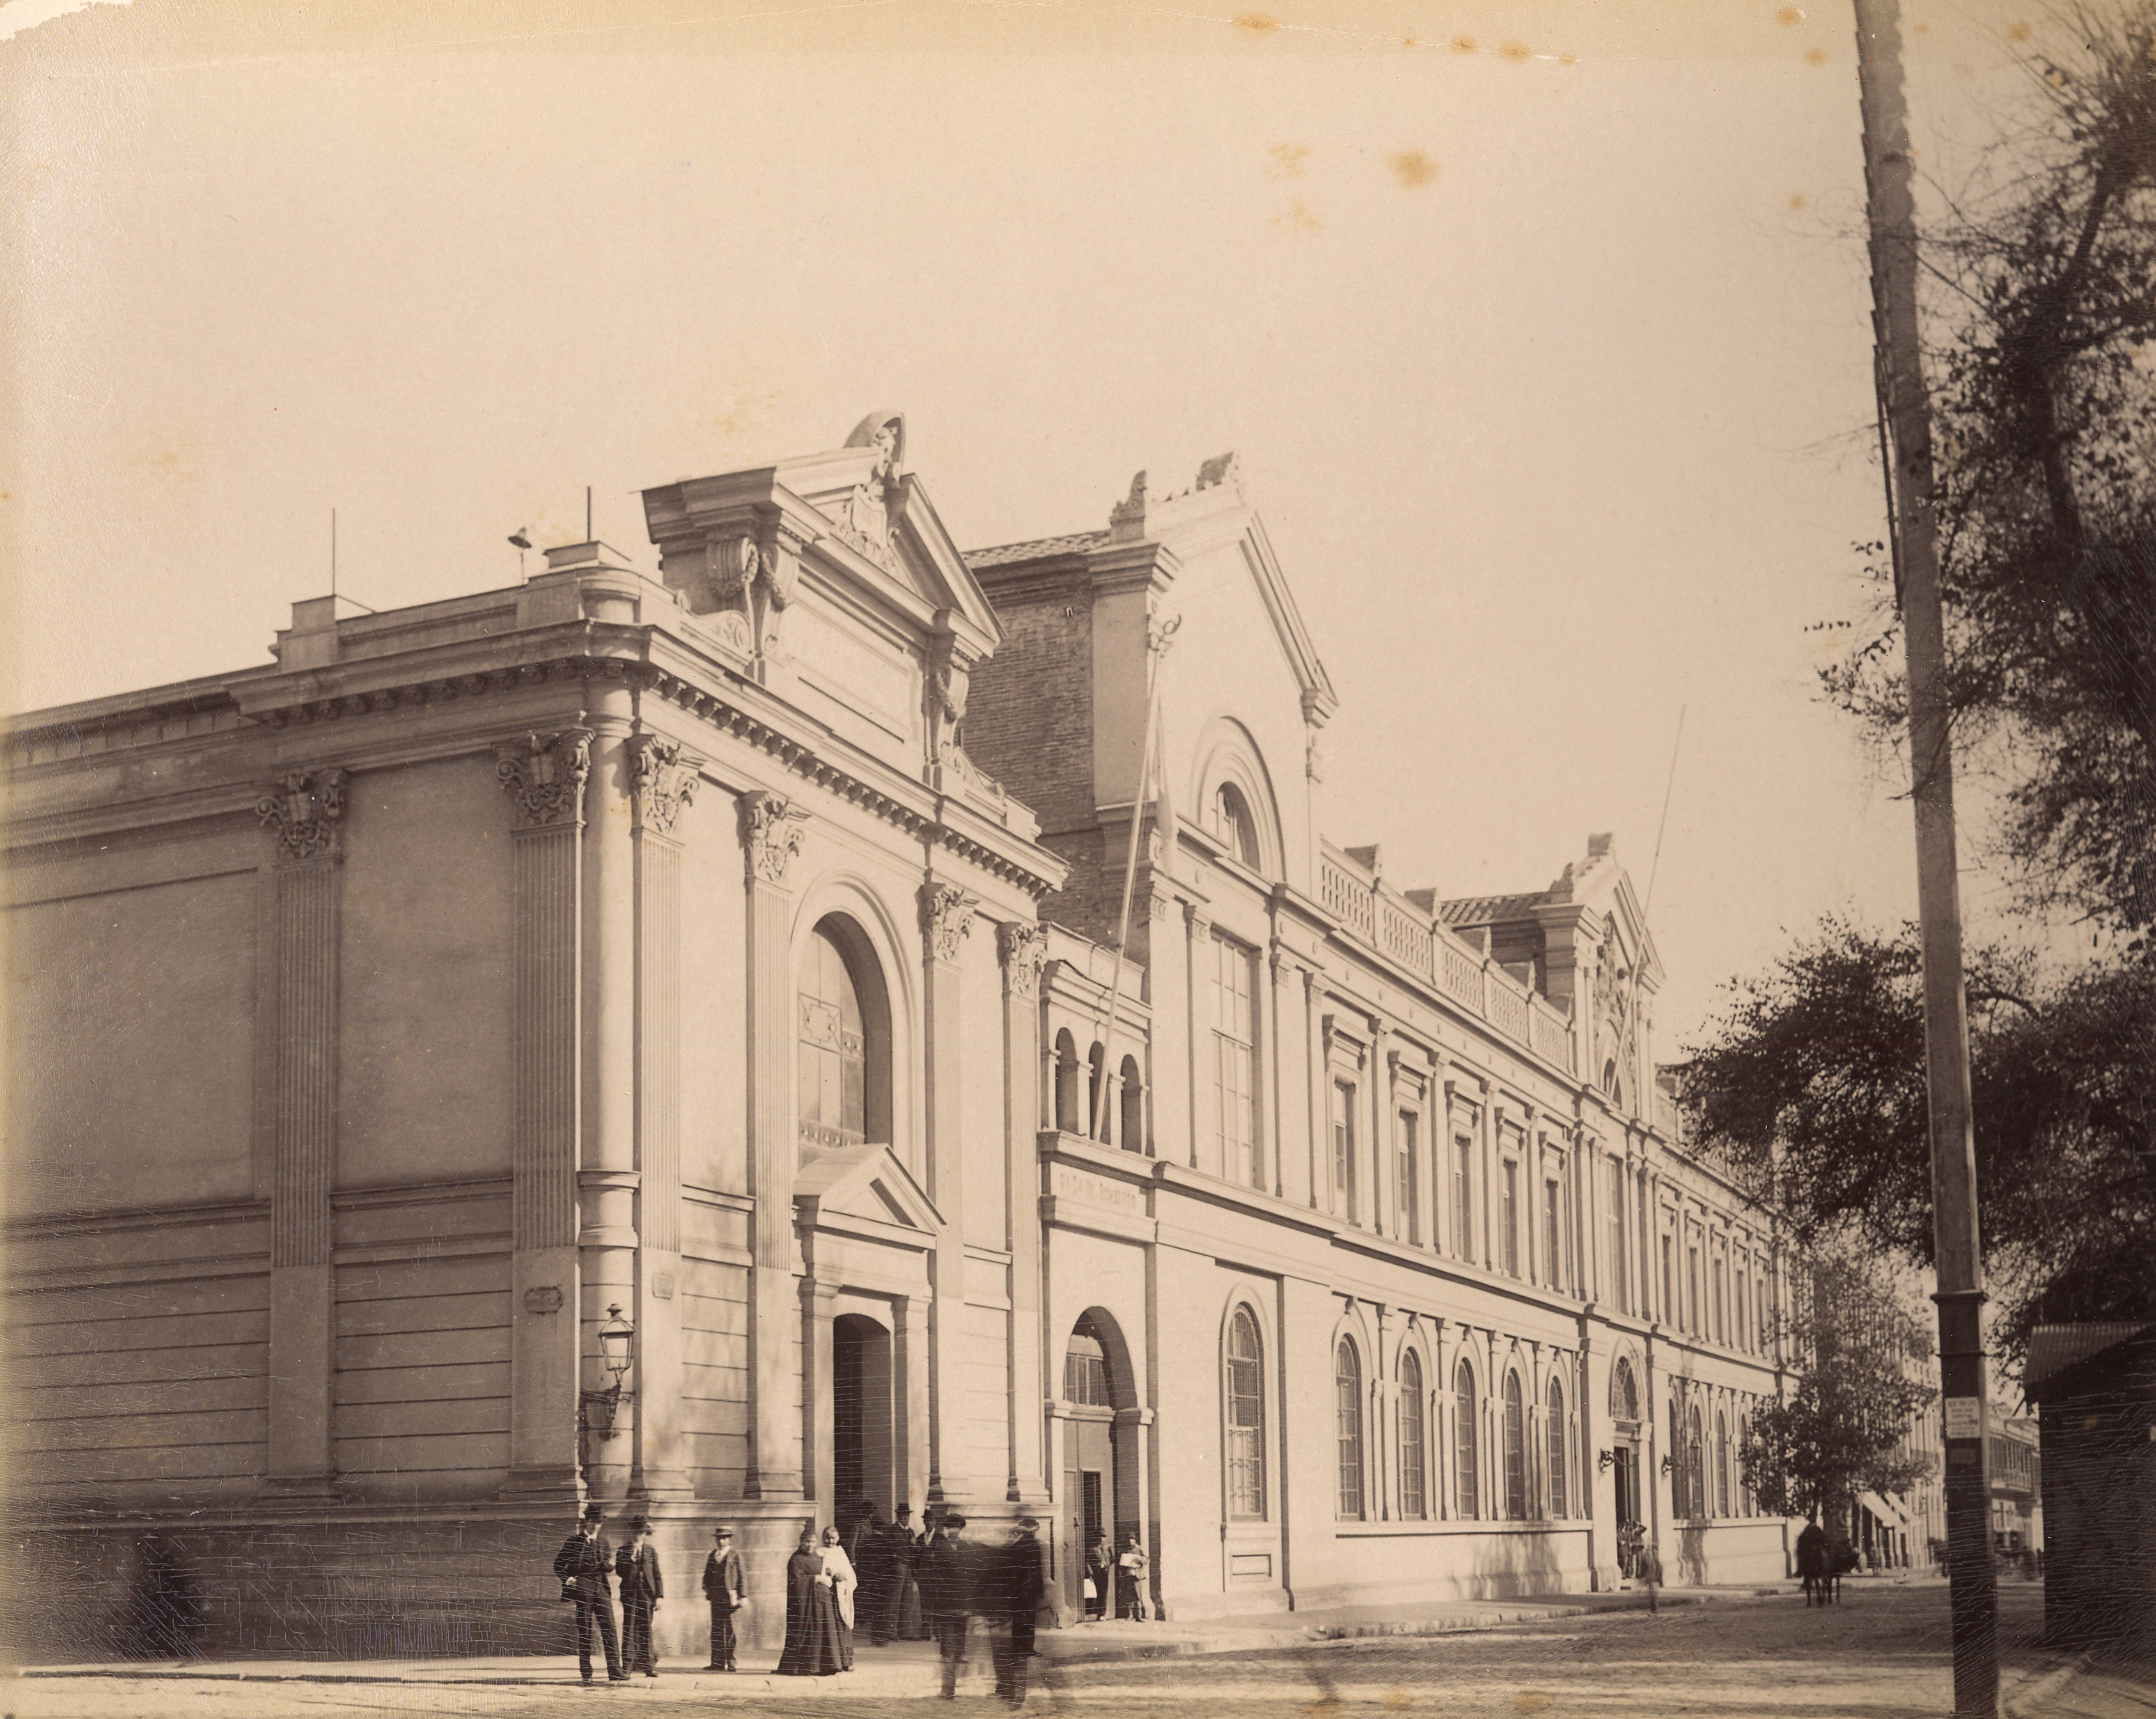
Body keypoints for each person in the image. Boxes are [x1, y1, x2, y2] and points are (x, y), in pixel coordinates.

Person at [553, 1503, 625, 1685]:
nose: (596, 1526)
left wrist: (610, 1565)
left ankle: (615, 1669)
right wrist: (570, 1581)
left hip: (601, 1588)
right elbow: (558, 1565)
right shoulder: (573, 1542)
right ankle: (586, 1670)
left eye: (599, 1523)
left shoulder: (603, 1542)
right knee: (585, 1631)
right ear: (587, 1521)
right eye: (594, 1522)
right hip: (582, 1589)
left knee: (609, 1627)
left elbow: (607, 1564)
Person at [917, 1511, 985, 1698]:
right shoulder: (940, 1548)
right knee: (947, 1648)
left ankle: (955, 1686)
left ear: (961, 1529)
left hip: (963, 1602)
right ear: (947, 1530)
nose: (954, 1531)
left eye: (957, 1528)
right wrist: (938, 1596)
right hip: (946, 1603)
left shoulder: (967, 1548)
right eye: (950, 1528)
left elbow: (973, 1574)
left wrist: (972, 1598)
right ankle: (947, 1690)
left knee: (960, 1648)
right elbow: (935, 1576)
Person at [983, 1519, 1047, 1707]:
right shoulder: (1031, 1547)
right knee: (1019, 1650)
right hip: (1023, 1605)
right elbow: (1035, 1575)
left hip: (1015, 1606)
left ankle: (1011, 1693)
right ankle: (1013, 1693)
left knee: (1010, 1650)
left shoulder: (1020, 1548)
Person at [775, 1528, 845, 1677]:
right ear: (801, 1542)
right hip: (805, 1606)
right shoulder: (796, 1559)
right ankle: (805, 1667)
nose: (810, 1545)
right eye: (807, 1542)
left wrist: (831, 1575)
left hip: (821, 1602)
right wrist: (814, 1579)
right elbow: (796, 1582)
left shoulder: (818, 1557)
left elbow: (825, 1571)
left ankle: (826, 1666)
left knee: (824, 1634)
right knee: (808, 1635)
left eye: (813, 1542)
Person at [614, 1517, 663, 1678]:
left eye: (641, 1533)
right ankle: (627, 1666)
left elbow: (657, 1575)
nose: (638, 1536)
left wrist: (659, 1597)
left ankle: (649, 1666)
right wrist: (631, 1559)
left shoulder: (650, 1551)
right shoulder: (623, 1550)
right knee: (629, 1628)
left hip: (647, 1594)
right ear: (632, 1532)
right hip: (630, 1593)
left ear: (645, 1534)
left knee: (646, 1629)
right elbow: (620, 1572)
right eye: (636, 1533)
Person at [701, 1525, 748, 1672]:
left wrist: (743, 1595)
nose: (721, 1541)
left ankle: (731, 1660)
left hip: (730, 1597)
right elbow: (707, 1575)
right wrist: (707, 1587)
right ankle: (717, 1662)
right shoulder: (712, 1555)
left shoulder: (734, 1555)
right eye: (719, 1538)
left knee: (729, 1629)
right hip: (716, 1596)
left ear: (729, 1540)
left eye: (724, 1538)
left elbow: (742, 1576)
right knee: (716, 1628)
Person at [819, 1524, 859, 1671]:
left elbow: (849, 1573)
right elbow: (823, 1572)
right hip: (830, 1594)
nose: (830, 1541)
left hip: (841, 1594)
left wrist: (845, 1579)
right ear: (823, 1538)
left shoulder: (841, 1552)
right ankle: (833, 1662)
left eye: (833, 1538)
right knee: (831, 1626)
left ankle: (846, 1661)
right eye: (827, 1538)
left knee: (843, 1626)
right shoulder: (820, 1553)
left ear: (838, 1538)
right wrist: (832, 1575)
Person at [1114, 1532, 1150, 1621]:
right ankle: (1129, 1614)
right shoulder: (1124, 1550)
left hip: (1136, 1575)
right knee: (1127, 1594)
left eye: (1132, 1539)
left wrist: (1140, 1559)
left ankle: (1138, 1615)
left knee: (1137, 1595)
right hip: (1127, 1574)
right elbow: (1119, 1561)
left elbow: (1147, 1559)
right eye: (1128, 1539)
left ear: (1135, 1540)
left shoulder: (1139, 1549)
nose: (1130, 1541)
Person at [1083, 1533, 1112, 1622]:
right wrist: (1091, 1573)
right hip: (1097, 1573)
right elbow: (1087, 1562)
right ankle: (1096, 1612)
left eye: (1103, 1537)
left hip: (1105, 1572)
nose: (1101, 1539)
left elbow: (1112, 1559)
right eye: (1099, 1537)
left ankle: (1102, 1613)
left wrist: (1106, 1565)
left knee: (1104, 1593)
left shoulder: (1107, 1548)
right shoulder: (1093, 1549)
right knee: (1098, 1592)